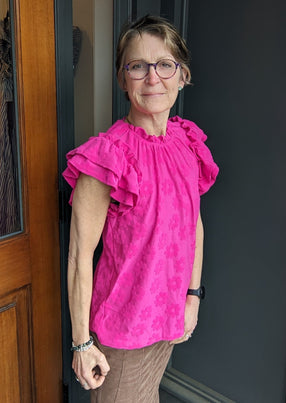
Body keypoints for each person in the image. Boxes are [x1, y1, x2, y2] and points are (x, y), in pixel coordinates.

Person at [63, 14, 219, 403]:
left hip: (169, 322)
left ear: (182, 75)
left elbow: (192, 225)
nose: (153, 78)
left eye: (165, 65)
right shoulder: (108, 157)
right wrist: (81, 344)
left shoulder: (187, 143)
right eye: (138, 66)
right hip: (123, 332)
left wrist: (192, 298)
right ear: (122, 78)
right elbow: (80, 257)